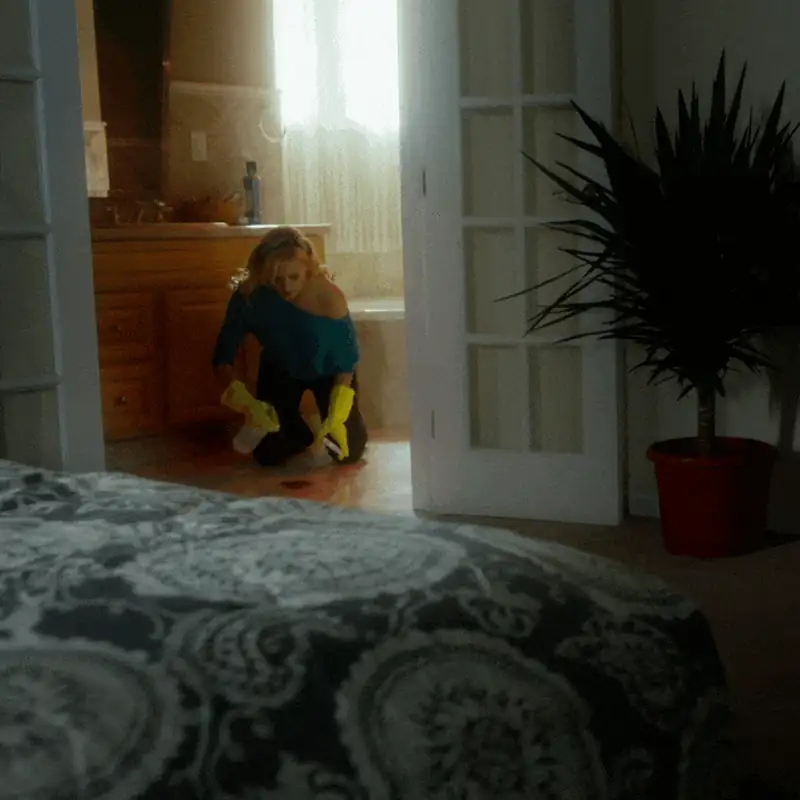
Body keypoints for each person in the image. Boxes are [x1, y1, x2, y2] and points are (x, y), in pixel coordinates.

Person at [212, 226, 368, 466]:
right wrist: (245, 403)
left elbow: (346, 363)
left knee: (347, 452)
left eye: (294, 277)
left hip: (329, 372)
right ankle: (299, 434)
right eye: (277, 279)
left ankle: (343, 429)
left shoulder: (329, 298)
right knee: (268, 454)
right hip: (281, 368)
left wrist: (337, 416)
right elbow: (223, 356)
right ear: (264, 274)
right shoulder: (249, 298)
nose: (286, 287)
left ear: (308, 271)